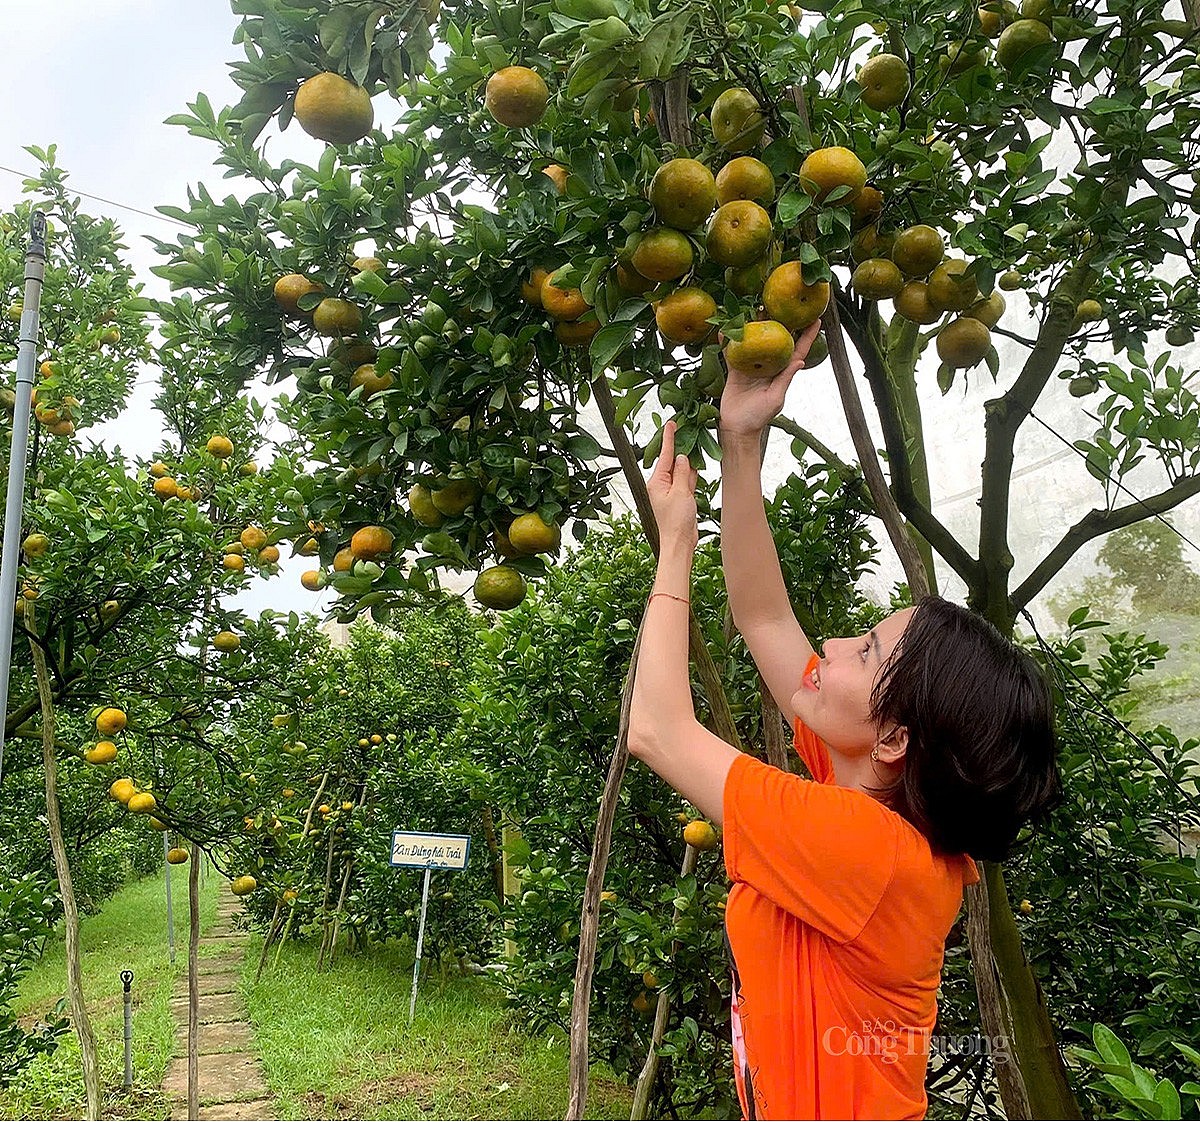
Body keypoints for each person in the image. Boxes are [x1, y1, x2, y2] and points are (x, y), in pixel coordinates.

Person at [627, 322, 1063, 1121]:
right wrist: (741, 442)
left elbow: (655, 726)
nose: (829, 646)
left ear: (895, 739)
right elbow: (761, 616)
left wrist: (676, 546)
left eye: (863, 651)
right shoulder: (876, 809)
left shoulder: (860, 848)